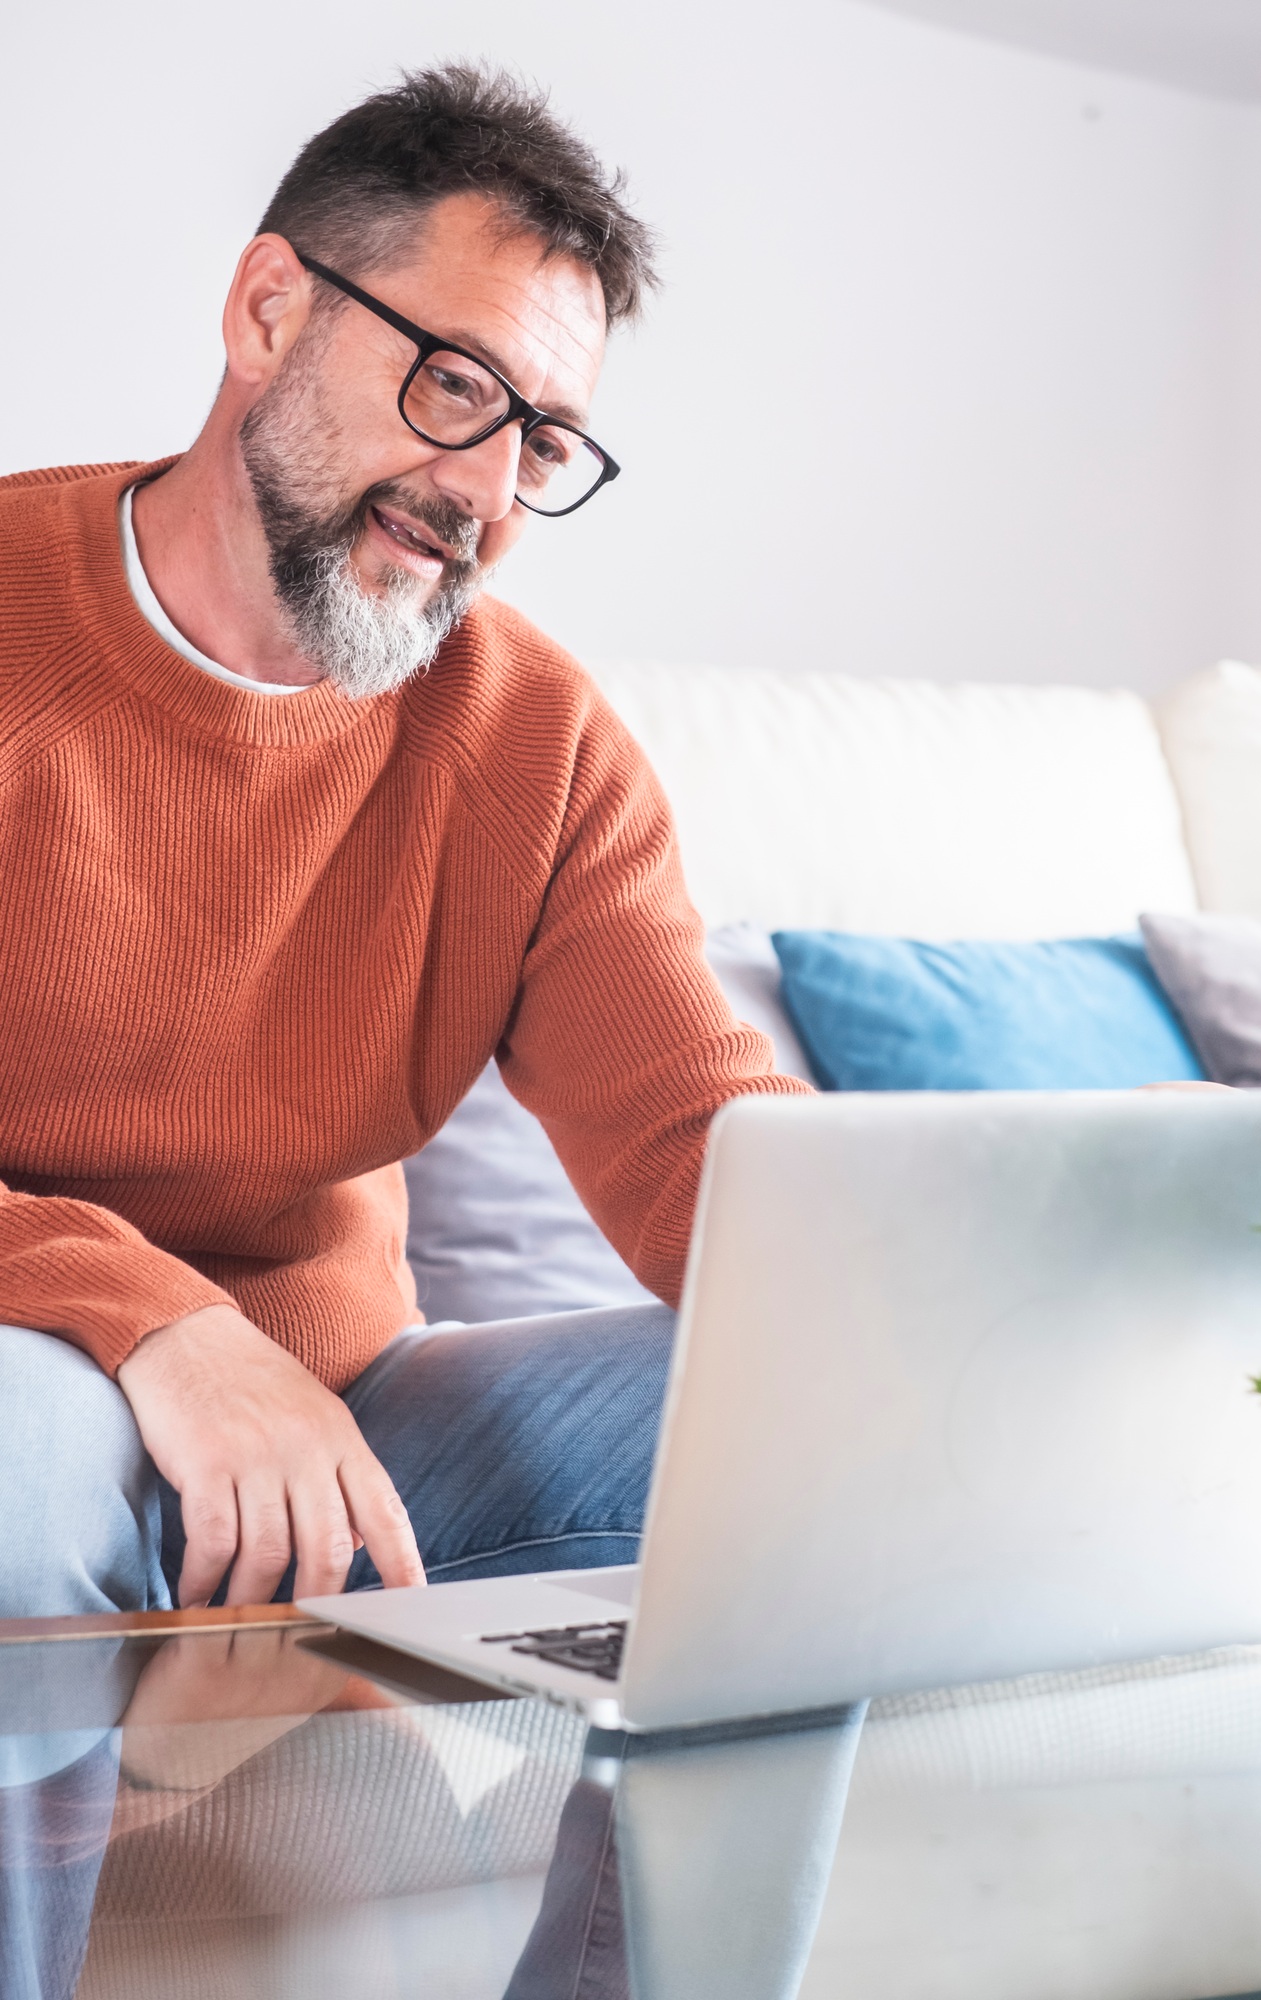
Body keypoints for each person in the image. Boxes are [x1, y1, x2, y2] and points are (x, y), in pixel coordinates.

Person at [0, 64, 807, 1623]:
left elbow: (693, 1140)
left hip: (350, 1424)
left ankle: (607, 1880)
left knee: (805, 1427)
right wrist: (160, 1325)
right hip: (29, 1384)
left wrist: (1022, 1262)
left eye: (546, 443)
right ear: (267, 313)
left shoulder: (534, 741)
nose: (488, 494)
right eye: (456, 385)